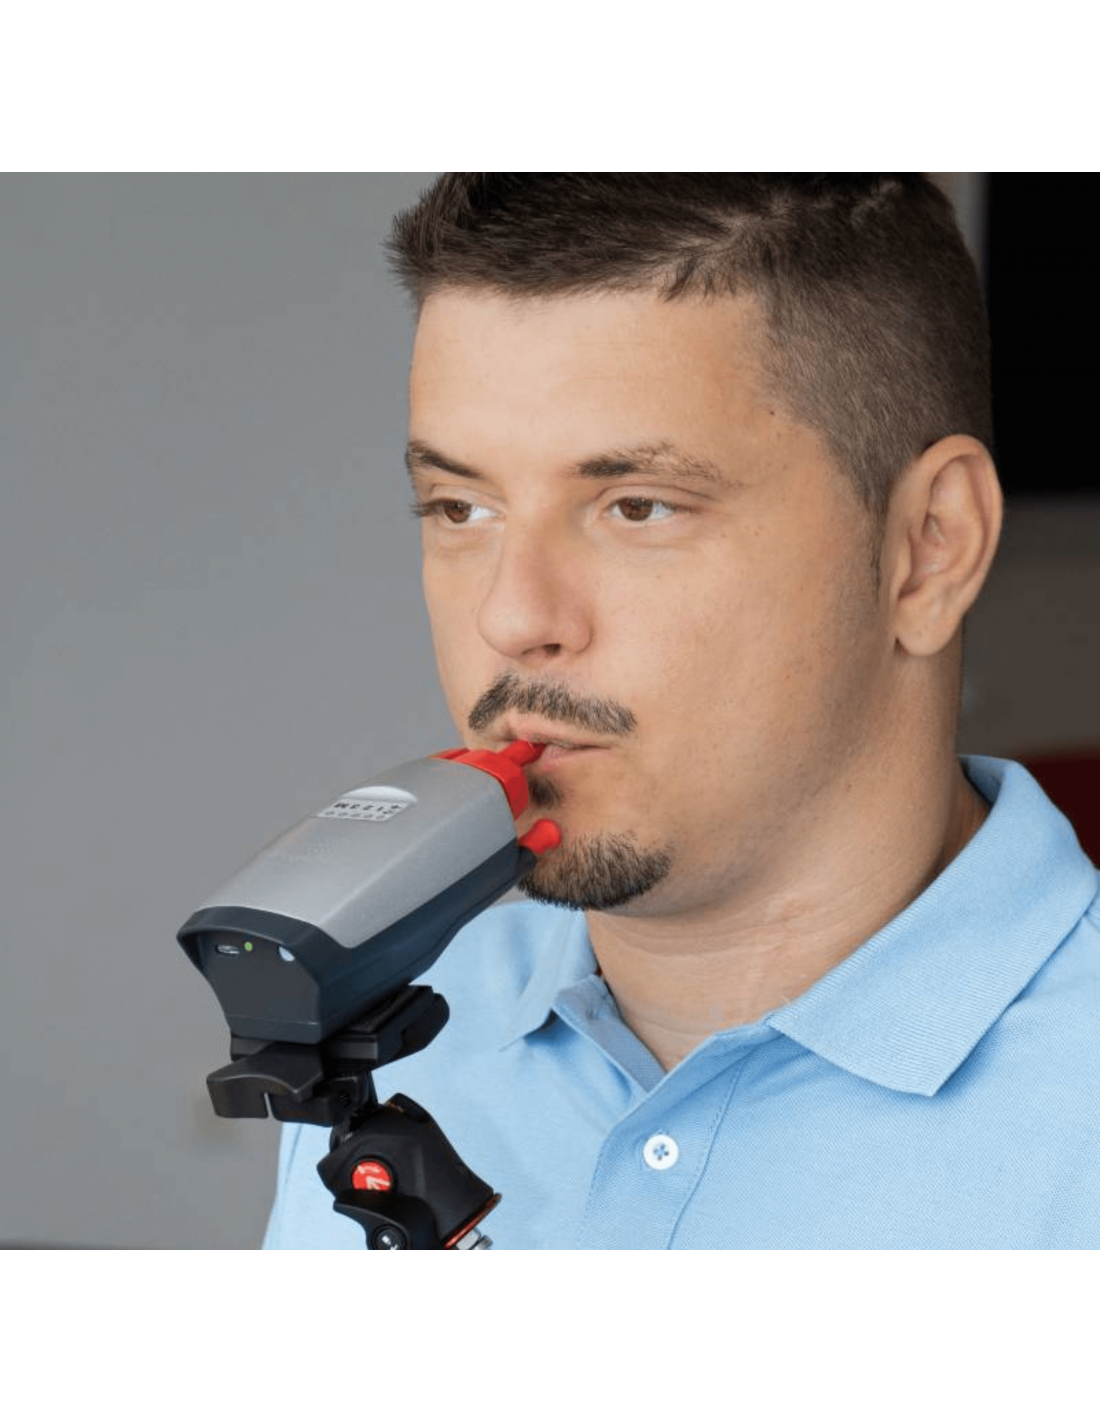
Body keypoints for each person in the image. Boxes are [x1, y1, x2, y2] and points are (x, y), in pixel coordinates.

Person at [264, 174, 1100, 1249]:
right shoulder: (398, 1032)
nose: (512, 618)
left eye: (637, 506)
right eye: (460, 507)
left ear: (928, 547)